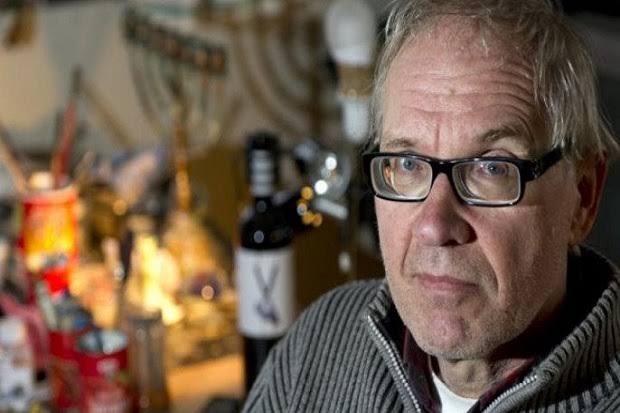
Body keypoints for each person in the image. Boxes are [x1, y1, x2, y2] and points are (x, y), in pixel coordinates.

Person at [241, 0, 620, 411]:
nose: (434, 226)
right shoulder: (320, 345)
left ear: (583, 196)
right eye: (407, 163)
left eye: (491, 168)